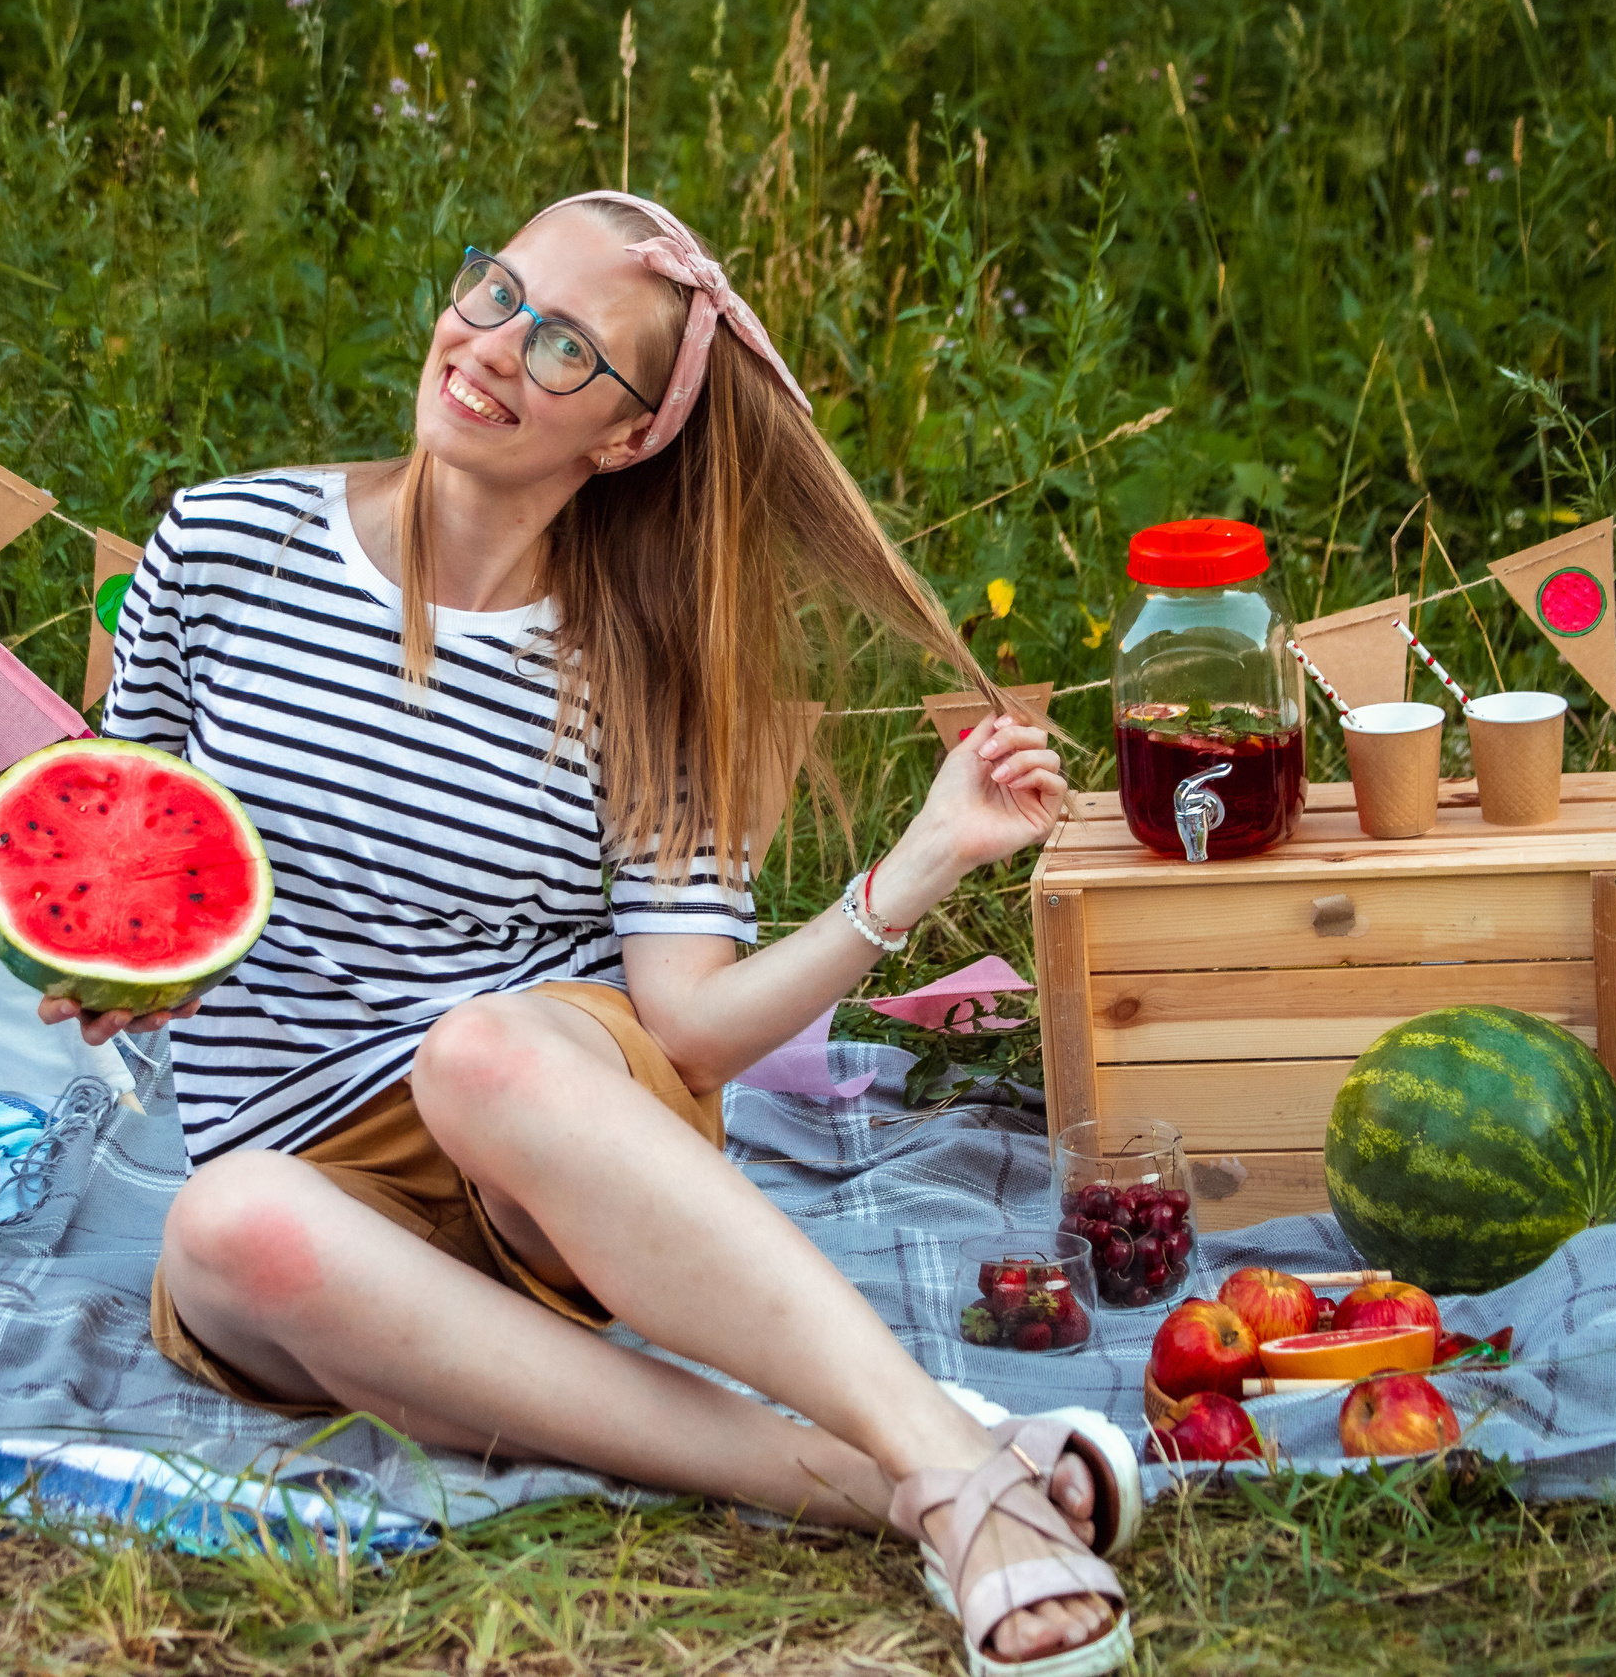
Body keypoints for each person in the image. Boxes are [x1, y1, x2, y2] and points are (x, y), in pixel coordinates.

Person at [64, 190, 1136, 1675]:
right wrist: (103, 958)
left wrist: (920, 863)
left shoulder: (642, 663)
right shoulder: (222, 543)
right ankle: (929, 1476)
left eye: (566, 346)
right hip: (323, 1194)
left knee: (479, 1051)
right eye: (496, 291)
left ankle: (937, 1460)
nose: (494, 347)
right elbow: (127, 840)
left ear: (628, 434)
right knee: (219, 1227)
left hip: (554, 1162)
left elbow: (688, 1030)